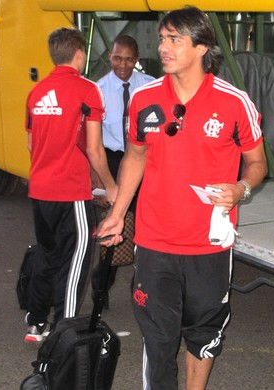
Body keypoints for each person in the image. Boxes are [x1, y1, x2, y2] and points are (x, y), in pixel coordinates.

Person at [97, 6, 268, 389]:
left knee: (203, 336)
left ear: (202, 46)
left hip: (209, 246)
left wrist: (242, 188)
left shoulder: (233, 102)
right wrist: (118, 213)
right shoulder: (143, 99)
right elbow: (135, 157)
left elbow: (257, 162)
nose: (163, 47)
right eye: (162, 38)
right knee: (157, 339)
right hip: (154, 242)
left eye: (175, 39)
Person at [24, 28, 118, 343]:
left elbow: (30, 143)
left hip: (40, 191)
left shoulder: (37, 92)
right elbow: (94, 149)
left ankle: (36, 323)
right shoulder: (87, 90)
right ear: (80, 54)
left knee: (47, 256)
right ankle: (63, 334)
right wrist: (111, 185)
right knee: (76, 263)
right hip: (71, 194)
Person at [91, 35, 155, 308]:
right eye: (118, 58)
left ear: (137, 58)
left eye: (129, 59)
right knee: (114, 231)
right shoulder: (99, 90)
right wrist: (100, 183)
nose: (123, 65)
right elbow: (92, 144)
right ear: (110, 57)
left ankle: (141, 291)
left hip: (145, 162)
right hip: (114, 164)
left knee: (145, 229)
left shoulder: (150, 86)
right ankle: (101, 287)